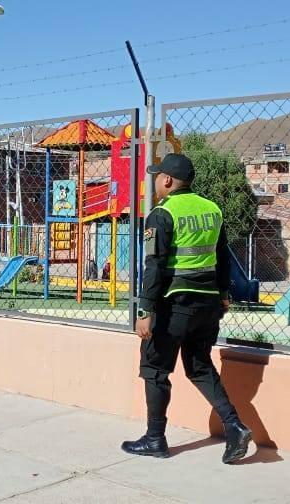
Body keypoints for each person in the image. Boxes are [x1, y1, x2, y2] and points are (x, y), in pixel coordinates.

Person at [122, 153, 252, 464]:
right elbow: (223, 257)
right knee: (200, 366)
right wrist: (222, 294)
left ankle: (155, 439)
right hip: (207, 303)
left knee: (154, 370)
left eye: (157, 176)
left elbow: (153, 266)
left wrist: (144, 310)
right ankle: (234, 425)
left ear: (166, 180)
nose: (155, 181)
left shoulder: (163, 213)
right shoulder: (212, 210)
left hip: (174, 304)